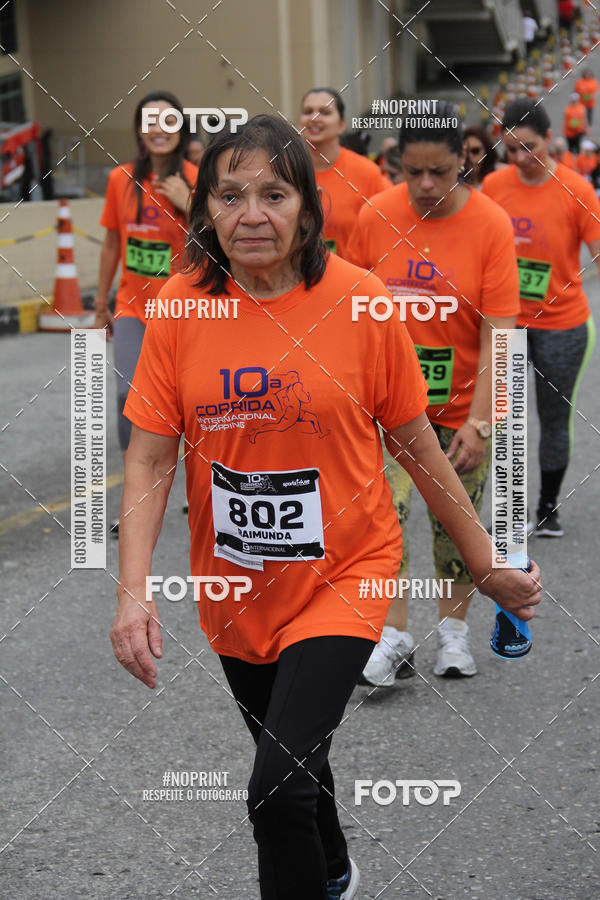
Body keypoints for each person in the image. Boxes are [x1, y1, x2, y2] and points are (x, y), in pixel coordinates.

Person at [109, 115, 541, 899]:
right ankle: (334, 868)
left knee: (275, 785)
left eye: (274, 194)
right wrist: (132, 592)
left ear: (308, 209)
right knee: (298, 759)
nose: (252, 214)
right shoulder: (178, 309)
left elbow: (416, 446)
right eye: (230, 195)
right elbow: (147, 455)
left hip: (347, 570)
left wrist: (487, 562)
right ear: (205, 209)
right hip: (236, 585)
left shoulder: (364, 302)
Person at [345, 103, 521, 684]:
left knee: (454, 527)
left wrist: (481, 422)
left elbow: (500, 336)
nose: (424, 186)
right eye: (412, 171)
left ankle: (453, 632)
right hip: (388, 414)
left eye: (439, 173)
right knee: (384, 522)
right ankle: (392, 636)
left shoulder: (491, 225)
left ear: (463, 163)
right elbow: (348, 313)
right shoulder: (374, 216)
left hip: (459, 412)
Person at [482, 97, 600, 537]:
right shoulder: (495, 186)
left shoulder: (577, 189)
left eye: (529, 147)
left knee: (554, 418)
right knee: (506, 418)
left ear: (550, 139)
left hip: (562, 324)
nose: (520, 159)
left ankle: (548, 509)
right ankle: (511, 515)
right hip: (506, 323)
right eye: (511, 150)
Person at [93, 90, 197, 533]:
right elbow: (115, 241)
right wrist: (100, 301)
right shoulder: (120, 179)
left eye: (168, 121)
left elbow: (217, 241)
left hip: (187, 310)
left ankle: (203, 494)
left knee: (195, 405)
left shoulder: (198, 176)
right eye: (150, 121)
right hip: (133, 307)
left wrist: (188, 201)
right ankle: (135, 499)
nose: (159, 129)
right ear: (139, 130)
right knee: (126, 399)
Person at [300, 87, 390, 258]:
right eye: (308, 111)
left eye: (325, 112)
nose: (314, 118)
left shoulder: (367, 173)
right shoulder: (286, 170)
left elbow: (390, 224)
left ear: (342, 126)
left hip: (353, 279)